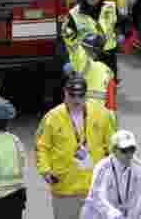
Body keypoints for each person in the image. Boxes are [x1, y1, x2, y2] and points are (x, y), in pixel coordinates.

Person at [35, 73, 116, 219]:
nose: (77, 100)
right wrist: (46, 171)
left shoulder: (101, 114)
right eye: (72, 96)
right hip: (64, 188)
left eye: (80, 96)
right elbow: (42, 147)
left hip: (93, 188)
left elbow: (112, 146)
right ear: (65, 93)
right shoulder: (52, 117)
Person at [85, 130, 141, 219]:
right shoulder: (102, 167)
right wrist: (112, 213)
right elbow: (96, 196)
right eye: (124, 150)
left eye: (132, 149)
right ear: (114, 150)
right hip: (99, 214)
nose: (129, 154)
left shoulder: (138, 166)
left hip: (123, 214)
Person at [64, 0, 118, 72]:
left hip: (108, 56)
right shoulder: (74, 13)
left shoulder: (111, 7)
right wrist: (70, 59)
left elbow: (123, 23)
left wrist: (122, 33)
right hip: (86, 58)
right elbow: (67, 37)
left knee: (110, 85)